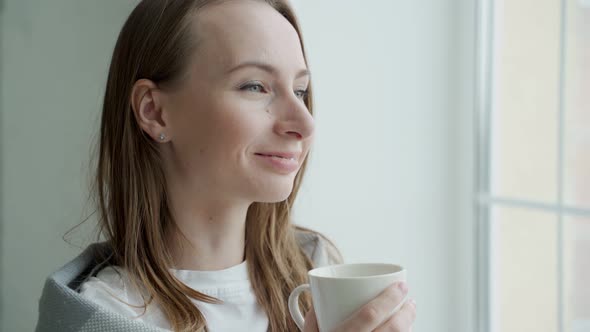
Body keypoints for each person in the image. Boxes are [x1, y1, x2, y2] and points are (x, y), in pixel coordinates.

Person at [35, 0, 417, 331]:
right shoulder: (102, 316)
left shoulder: (317, 273)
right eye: (255, 86)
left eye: (300, 90)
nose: (304, 123)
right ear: (155, 111)